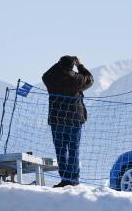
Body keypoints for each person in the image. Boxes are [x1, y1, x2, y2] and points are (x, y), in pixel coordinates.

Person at [42, 55, 94, 187]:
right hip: (74, 120)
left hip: (57, 120)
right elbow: (90, 79)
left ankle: (65, 179)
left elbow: (45, 75)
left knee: (61, 150)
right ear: (72, 65)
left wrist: (58, 64)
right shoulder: (77, 79)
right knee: (73, 150)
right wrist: (80, 65)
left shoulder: (52, 79)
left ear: (59, 65)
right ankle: (74, 180)